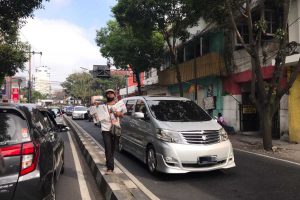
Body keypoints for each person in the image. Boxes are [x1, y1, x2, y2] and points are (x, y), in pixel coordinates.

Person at [98, 89, 126, 174]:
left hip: (115, 128)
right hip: (105, 129)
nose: (110, 95)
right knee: (107, 147)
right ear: (106, 96)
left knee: (112, 148)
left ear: (114, 95)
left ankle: (108, 161)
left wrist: (118, 113)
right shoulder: (102, 106)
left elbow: (122, 115)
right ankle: (110, 168)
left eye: (111, 93)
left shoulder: (119, 105)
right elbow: (98, 117)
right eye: (108, 94)